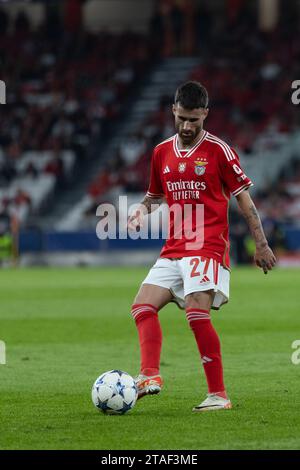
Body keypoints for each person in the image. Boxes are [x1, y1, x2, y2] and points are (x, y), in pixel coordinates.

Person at [127, 81, 276, 412]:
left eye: (194, 119)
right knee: (142, 306)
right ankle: (150, 375)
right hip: (174, 247)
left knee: (197, 312)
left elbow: (244, 200)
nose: (187, 126)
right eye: (182, 118)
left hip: (207, 245)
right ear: (173, 112)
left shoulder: (219, 151)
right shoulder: (161, 152)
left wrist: (261, 244)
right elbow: (154, 196)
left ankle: (218, 395)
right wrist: (140, 210)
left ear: (205, 114)